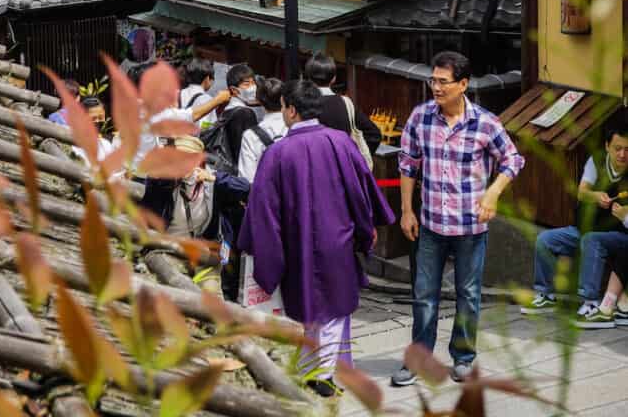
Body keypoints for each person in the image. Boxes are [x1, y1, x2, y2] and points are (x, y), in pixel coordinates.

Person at [238, 79, 395, 397]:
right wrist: (365, 229)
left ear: (291, 110)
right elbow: (360, 190)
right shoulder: (340, 141)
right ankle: (319, 373)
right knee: (335, 309)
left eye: (283, 106)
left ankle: (311, 371)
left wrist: (263, 246)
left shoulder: (277, 153)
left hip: (296, 244)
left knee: (304, 306)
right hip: (338, 239)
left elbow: (264, 207)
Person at [392, 51, 524, 387]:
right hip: (431, 224)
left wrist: (493, 192)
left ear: (463, 84)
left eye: (443, 81)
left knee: (468, 294)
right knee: (424, 295)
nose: (435, 87)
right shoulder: (420, 117)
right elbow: (408, 164)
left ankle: (463, 358)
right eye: (432, 80)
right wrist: (407, 210)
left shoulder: (486, 123)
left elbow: (513, 160)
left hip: (470, 227)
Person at [521, 112, 628, 328]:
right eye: (618, 148)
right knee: (546, 240)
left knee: (591, 240)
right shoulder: (596, 161)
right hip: (583, 228)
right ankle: (546, 295)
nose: (623, 154)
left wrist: (624, 215)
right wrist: (596, 196)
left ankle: (589, 302)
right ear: (607, 146)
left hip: (618, 235)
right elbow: (582, 192)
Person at [304, 52, 381, 158]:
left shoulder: (303, 103)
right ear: (333, 79)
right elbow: (374, 134)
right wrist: (355, 157)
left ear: (308, 78)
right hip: (343, 167)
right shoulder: (346, 103)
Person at [238, 77, 286, 182]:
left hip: (265, 195)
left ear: (259, 101)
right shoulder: (296, 129)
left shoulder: (250, 135)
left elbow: (247, 179)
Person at [219, 63, 259, 167]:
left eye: (253, 82)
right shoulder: (245, 113)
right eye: (247, 84)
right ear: (234, 90)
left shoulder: (226, 111)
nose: (252, 87)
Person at [71, 95, 114, 165]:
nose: (97, 121)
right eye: (93, 118)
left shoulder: (106, 144)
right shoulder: (72, 142)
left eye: (100, 117)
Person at [180, 58, 216, 128]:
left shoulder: (178, 94)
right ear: (207, 79)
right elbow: (203, 126)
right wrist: (214, 125)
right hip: (194, 138)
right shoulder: (207, 99)